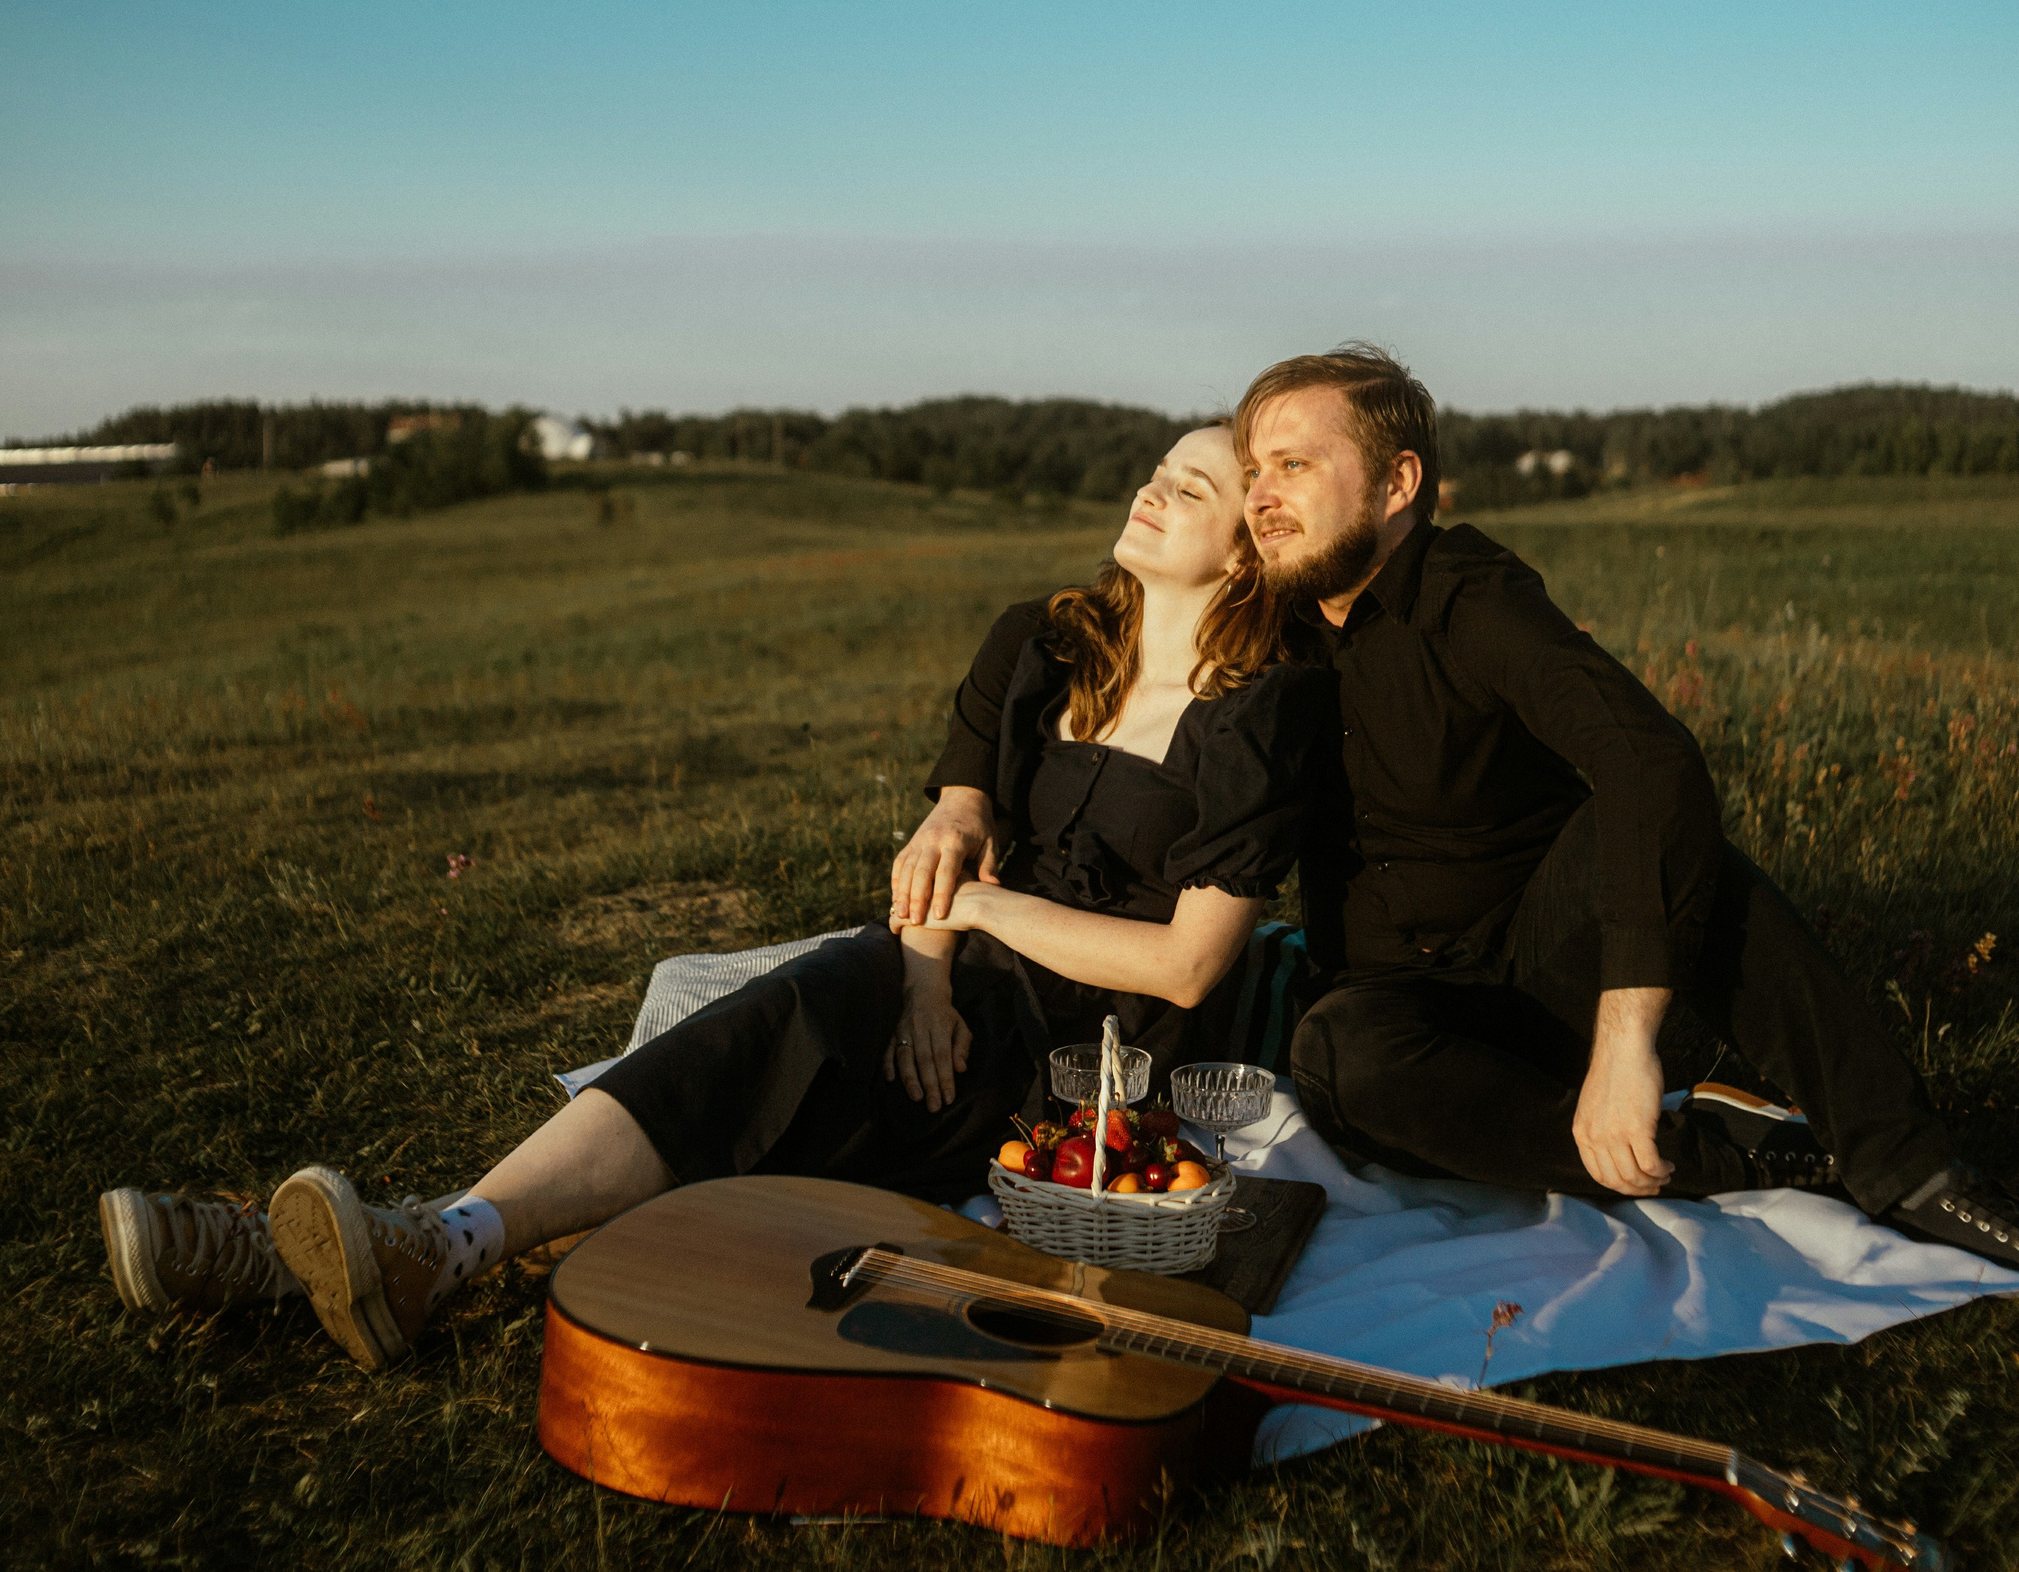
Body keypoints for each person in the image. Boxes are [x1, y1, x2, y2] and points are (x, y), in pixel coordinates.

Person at [911, 346, 2019, 1317]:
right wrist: (965, 800)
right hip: (1405, 1000)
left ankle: (1910, 1166)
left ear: (1396, 487)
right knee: (1339, 1058)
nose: (1266, 493)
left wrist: (1623, 1037)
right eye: (1256, 472)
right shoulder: (1262, 634)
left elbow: (1648, 758)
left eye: (1293, 464)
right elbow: (1057, 670)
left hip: (1558, 953)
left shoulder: (1468, 594)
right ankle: (1747, 1157)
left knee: (1643, 815)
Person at [100, 425, 1337, 1368]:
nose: (1151, 490)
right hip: (940, 982)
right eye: (1155, 468)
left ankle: (405, 1243)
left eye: (1194, 488)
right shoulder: (1043, 641)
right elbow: (948, 831)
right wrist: (923, 973)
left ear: (1247, 547)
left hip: (1090, 1057)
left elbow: (1184, 967)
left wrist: (973, 922)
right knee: (778, 1020)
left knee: (779, 1034)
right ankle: (381, 1247)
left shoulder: (1257, 711)